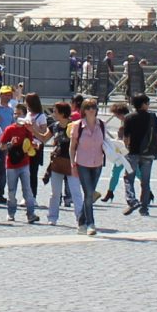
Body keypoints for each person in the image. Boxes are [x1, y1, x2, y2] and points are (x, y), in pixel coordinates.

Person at [69, 98, 106, 235]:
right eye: (88, 107)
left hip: (98, 163)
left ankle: (81, 221)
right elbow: (72, 147)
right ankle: (91, 224)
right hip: (82, 163)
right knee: (89, 194)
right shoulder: (78, 126)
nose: (91, 110)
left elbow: (105, 142)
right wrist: (72, 164)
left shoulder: (101, 125)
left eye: (93, 107)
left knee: (89, 195)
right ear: (83, 110)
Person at [119, 93, 157, 216]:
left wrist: (125, 149)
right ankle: (144, 208)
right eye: (147, 103)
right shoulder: (152, 117)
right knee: (145, 182)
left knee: (128, 178)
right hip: (148, 152)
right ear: (143, 104)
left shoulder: (129, 117)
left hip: (133, 152)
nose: (148, 105)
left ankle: (132, 200)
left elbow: (126, 138)